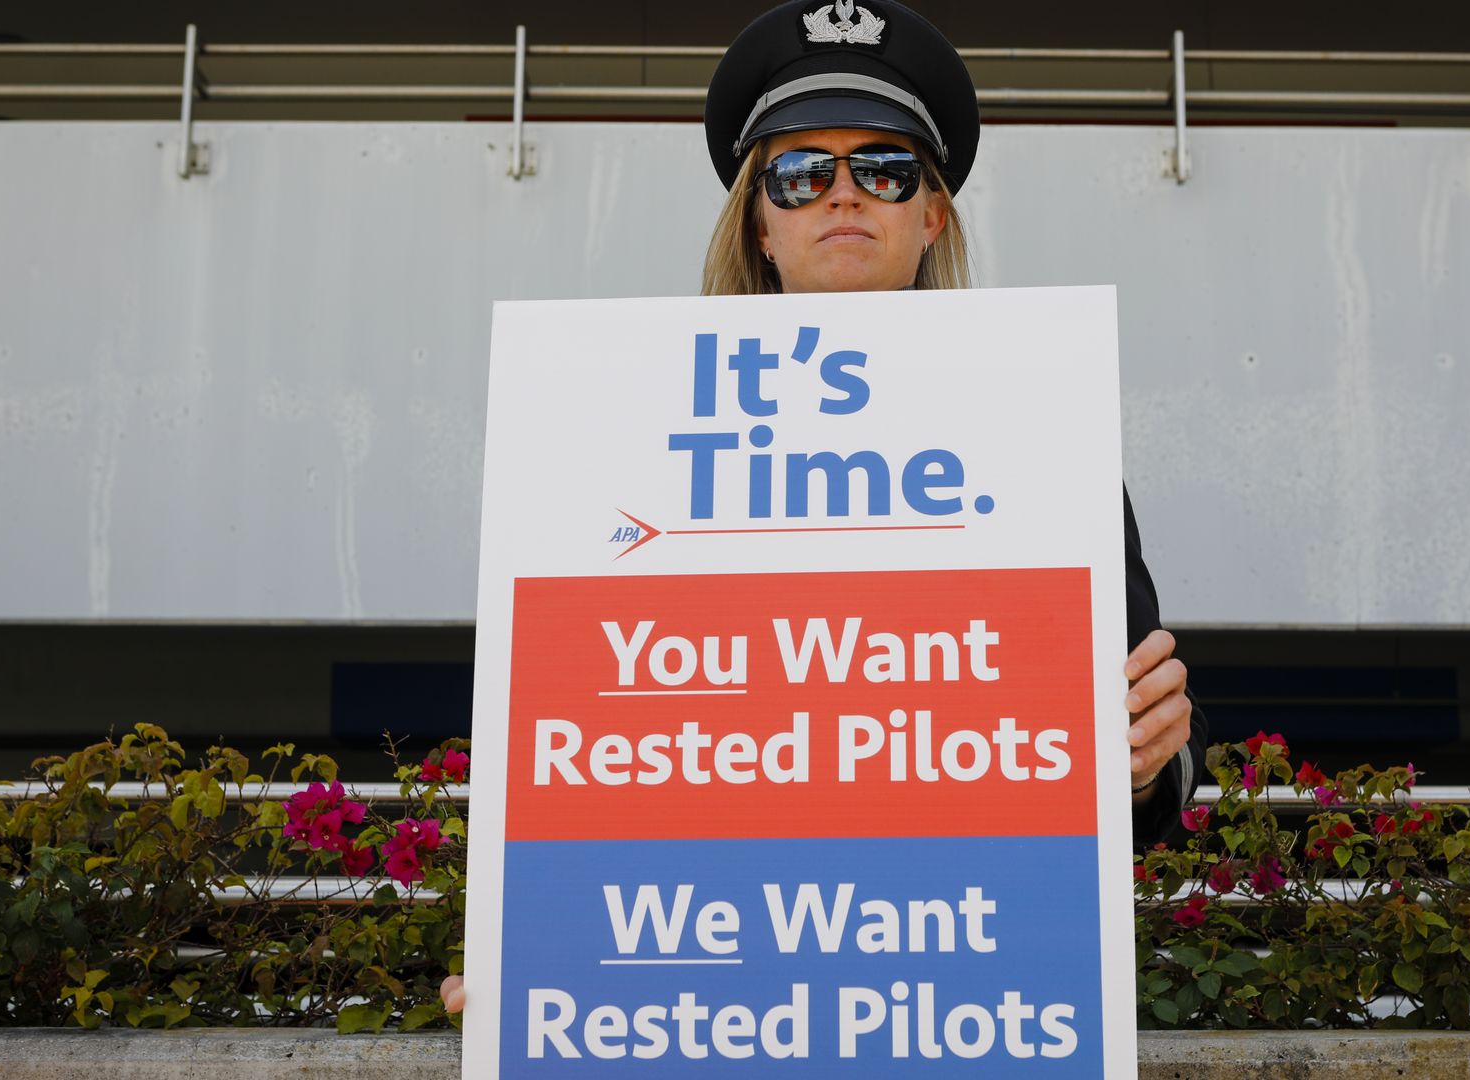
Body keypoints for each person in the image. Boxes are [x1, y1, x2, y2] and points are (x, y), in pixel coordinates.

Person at [440, 0, 1207, 1016]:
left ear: (930, 213)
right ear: (760, 223)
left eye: (884, 168)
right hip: (712, 982)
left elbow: (1127, 783)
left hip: (952, 980)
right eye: (801, 174)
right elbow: (606, 758)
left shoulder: (1041, 429)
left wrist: (1151, 760)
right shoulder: (623, 432)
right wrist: (547, 970)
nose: (844, 194)